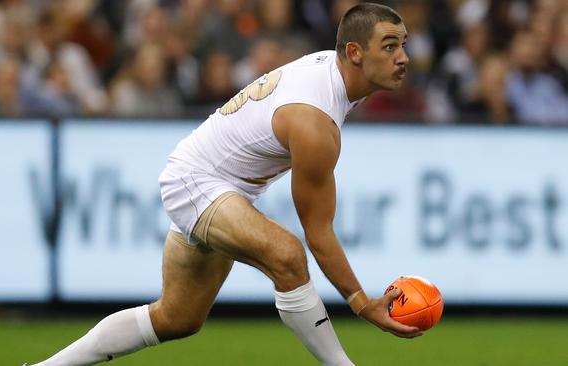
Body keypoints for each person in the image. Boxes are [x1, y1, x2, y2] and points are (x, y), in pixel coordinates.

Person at [26, 3, 420, 366]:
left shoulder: (333, 78)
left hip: (215, 183)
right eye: (389, 47)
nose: (403, 58)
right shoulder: (315, 122)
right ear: (354, 52)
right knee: (287, 255)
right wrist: (362, 304)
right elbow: (318, 233)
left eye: (403, 45)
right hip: (197, 181)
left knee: (177, 318)